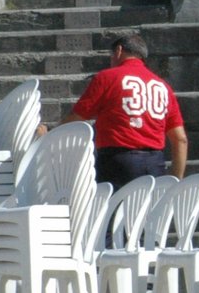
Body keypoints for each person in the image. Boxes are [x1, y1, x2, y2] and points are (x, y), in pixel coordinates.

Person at [61, 33, 187, 187]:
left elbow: (78, 117)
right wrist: (176, 179)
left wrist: (49, 134)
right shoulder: (164, 87)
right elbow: (180, 139)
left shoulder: (107, 77)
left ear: (119, 51)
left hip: (118, 162)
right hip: (155, 163)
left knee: (114, 210)